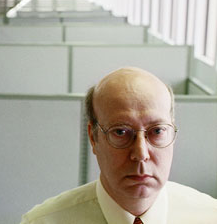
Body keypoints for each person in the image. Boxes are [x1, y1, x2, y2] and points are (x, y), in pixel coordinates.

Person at [20, 67, 217, 223]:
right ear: (93, 137)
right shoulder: (43, 222)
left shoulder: (210, 216)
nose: (141, 154)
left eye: (157, 131)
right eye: (121, 132)